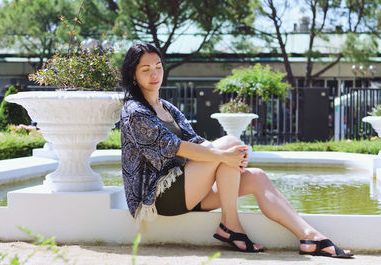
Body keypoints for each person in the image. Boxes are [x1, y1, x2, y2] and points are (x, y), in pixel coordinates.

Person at [120, 42, 353, 258]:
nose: (154, 74)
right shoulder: (134, 111)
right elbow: (176, 147)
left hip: (187, 189)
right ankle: (230, 225)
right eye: (146, 69)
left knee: (257, 177)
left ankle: (309, 237)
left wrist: (231, 158)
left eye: (158, 67)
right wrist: (224, 155)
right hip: (158, 198)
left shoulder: (166, 107)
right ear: (133, 74)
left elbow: (197, 141)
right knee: (229, 145)